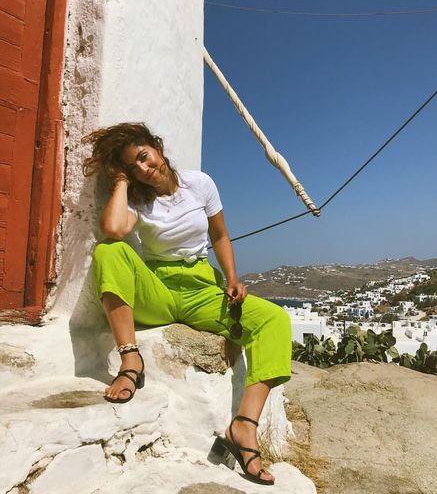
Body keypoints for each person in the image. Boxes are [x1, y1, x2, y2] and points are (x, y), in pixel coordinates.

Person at [83, 122, 292, 485]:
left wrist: (232, 279)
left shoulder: (200, 184)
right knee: (109, 251)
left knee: (274, 320)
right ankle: (131, 360)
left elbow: (220, 234)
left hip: (201, 287)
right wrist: (120, 182)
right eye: (134, 167)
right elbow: (114, 229)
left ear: (158, 147)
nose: (145, 169)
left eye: (145, 157)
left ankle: (244, 427)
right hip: (158, 290)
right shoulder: (136, 199)